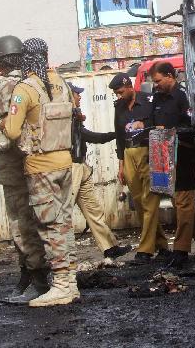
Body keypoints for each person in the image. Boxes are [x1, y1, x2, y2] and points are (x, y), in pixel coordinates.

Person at [3, 38, 78, 307]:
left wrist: (4, 123)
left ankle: (60, 286)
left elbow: (12, 131)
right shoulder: (62, 83)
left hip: (40, 167)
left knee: (49, 227)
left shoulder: (25, 89)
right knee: (65, 224)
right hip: (65, 163)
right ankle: (71, 284)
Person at [0, 35, 49, 304]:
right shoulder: (38, 82)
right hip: (38, 161)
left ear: (0, 62)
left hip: (12, 162)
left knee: (21, 222)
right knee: (38, 218)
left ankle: (37, 280)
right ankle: (30, 275)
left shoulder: (4, 84)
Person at [148, 61, 195, 268]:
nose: (157, 85)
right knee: (180, 201)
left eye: (159, 81)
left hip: (186, 154)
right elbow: (154, 122)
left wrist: (172, 130)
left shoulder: (183, 96)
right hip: (166, 156)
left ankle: (180, 250)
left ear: (170, 76)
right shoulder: (157, 99)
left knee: (183, 201)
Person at [110, 72, 170, 263]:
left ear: (129, 87)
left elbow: (160, 124)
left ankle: (145, 250)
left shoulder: (149, 99)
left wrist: (143, 123)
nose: (118, 96)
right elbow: (119, 136)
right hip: (129, 154)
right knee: (141, 203)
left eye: (120, 92)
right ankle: (161, 245)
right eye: (116, 94)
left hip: (149, 151)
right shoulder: (119, 107)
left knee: (150, 199)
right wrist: (120, 164)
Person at [68, 82, 131, 262]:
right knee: (62, 215)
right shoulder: (66, 117)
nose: (79, 97)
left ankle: (109, 247)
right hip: (71, 168)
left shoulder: (74, 117)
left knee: (93, 210)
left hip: (81, 167)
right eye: (76, 94)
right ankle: (59, 258)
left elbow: (88, 136)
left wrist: (113, 135)